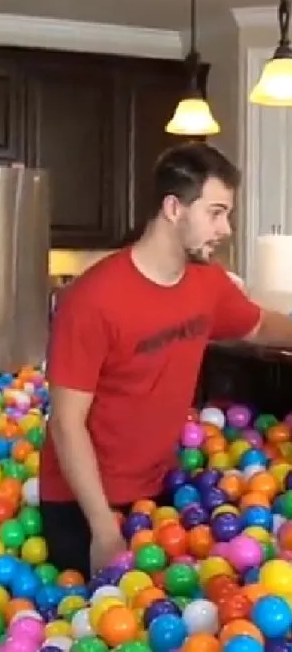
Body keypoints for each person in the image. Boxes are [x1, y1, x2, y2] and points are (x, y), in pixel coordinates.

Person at [39, 141, 292, 580]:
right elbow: (65, 422)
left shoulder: (207, 283)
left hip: (159, 488)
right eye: (215, 213)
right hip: (82, 503)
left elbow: (257, 325)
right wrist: (103, 529)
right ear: (174, 208)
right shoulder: (92, 299)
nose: (226, 228)